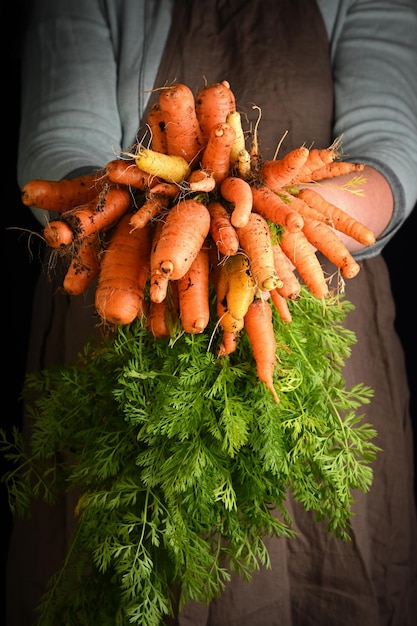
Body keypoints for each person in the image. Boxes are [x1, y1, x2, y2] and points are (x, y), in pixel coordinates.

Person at [7, 0, 417, 624]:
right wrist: (142, 220)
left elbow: (389, 145)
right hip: (120, 299)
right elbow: (61, 131)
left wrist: (283, 219)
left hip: (306, 302)